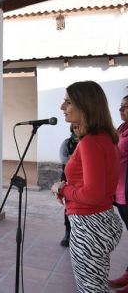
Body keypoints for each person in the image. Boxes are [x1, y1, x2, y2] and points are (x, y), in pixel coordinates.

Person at [51, 81, 122, 292]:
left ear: (85, 105)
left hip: (90, 225)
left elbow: (92, 194)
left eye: (68, 101)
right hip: (101, 220)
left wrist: (62, 189)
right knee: (96, 286)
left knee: (90, 289)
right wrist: (69, 187)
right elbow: (94, 184)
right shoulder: (104, 137)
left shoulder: (90, 142)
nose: (62, 107)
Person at [109, 95, 128, 291]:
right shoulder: (122, 129)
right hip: (121, 193)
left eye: (126, 107)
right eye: (120, 105)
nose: (120, 110)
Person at [57, 124, 78, 247]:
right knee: (68, 206)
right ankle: (68, 232)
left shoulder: (86, 142)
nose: (76, 130)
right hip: (67, 178)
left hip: (81, 179)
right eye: (74, 128)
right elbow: (63, 159)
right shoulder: (67, 143)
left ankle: (78, 234)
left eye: (78, 127)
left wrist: (72, 159)